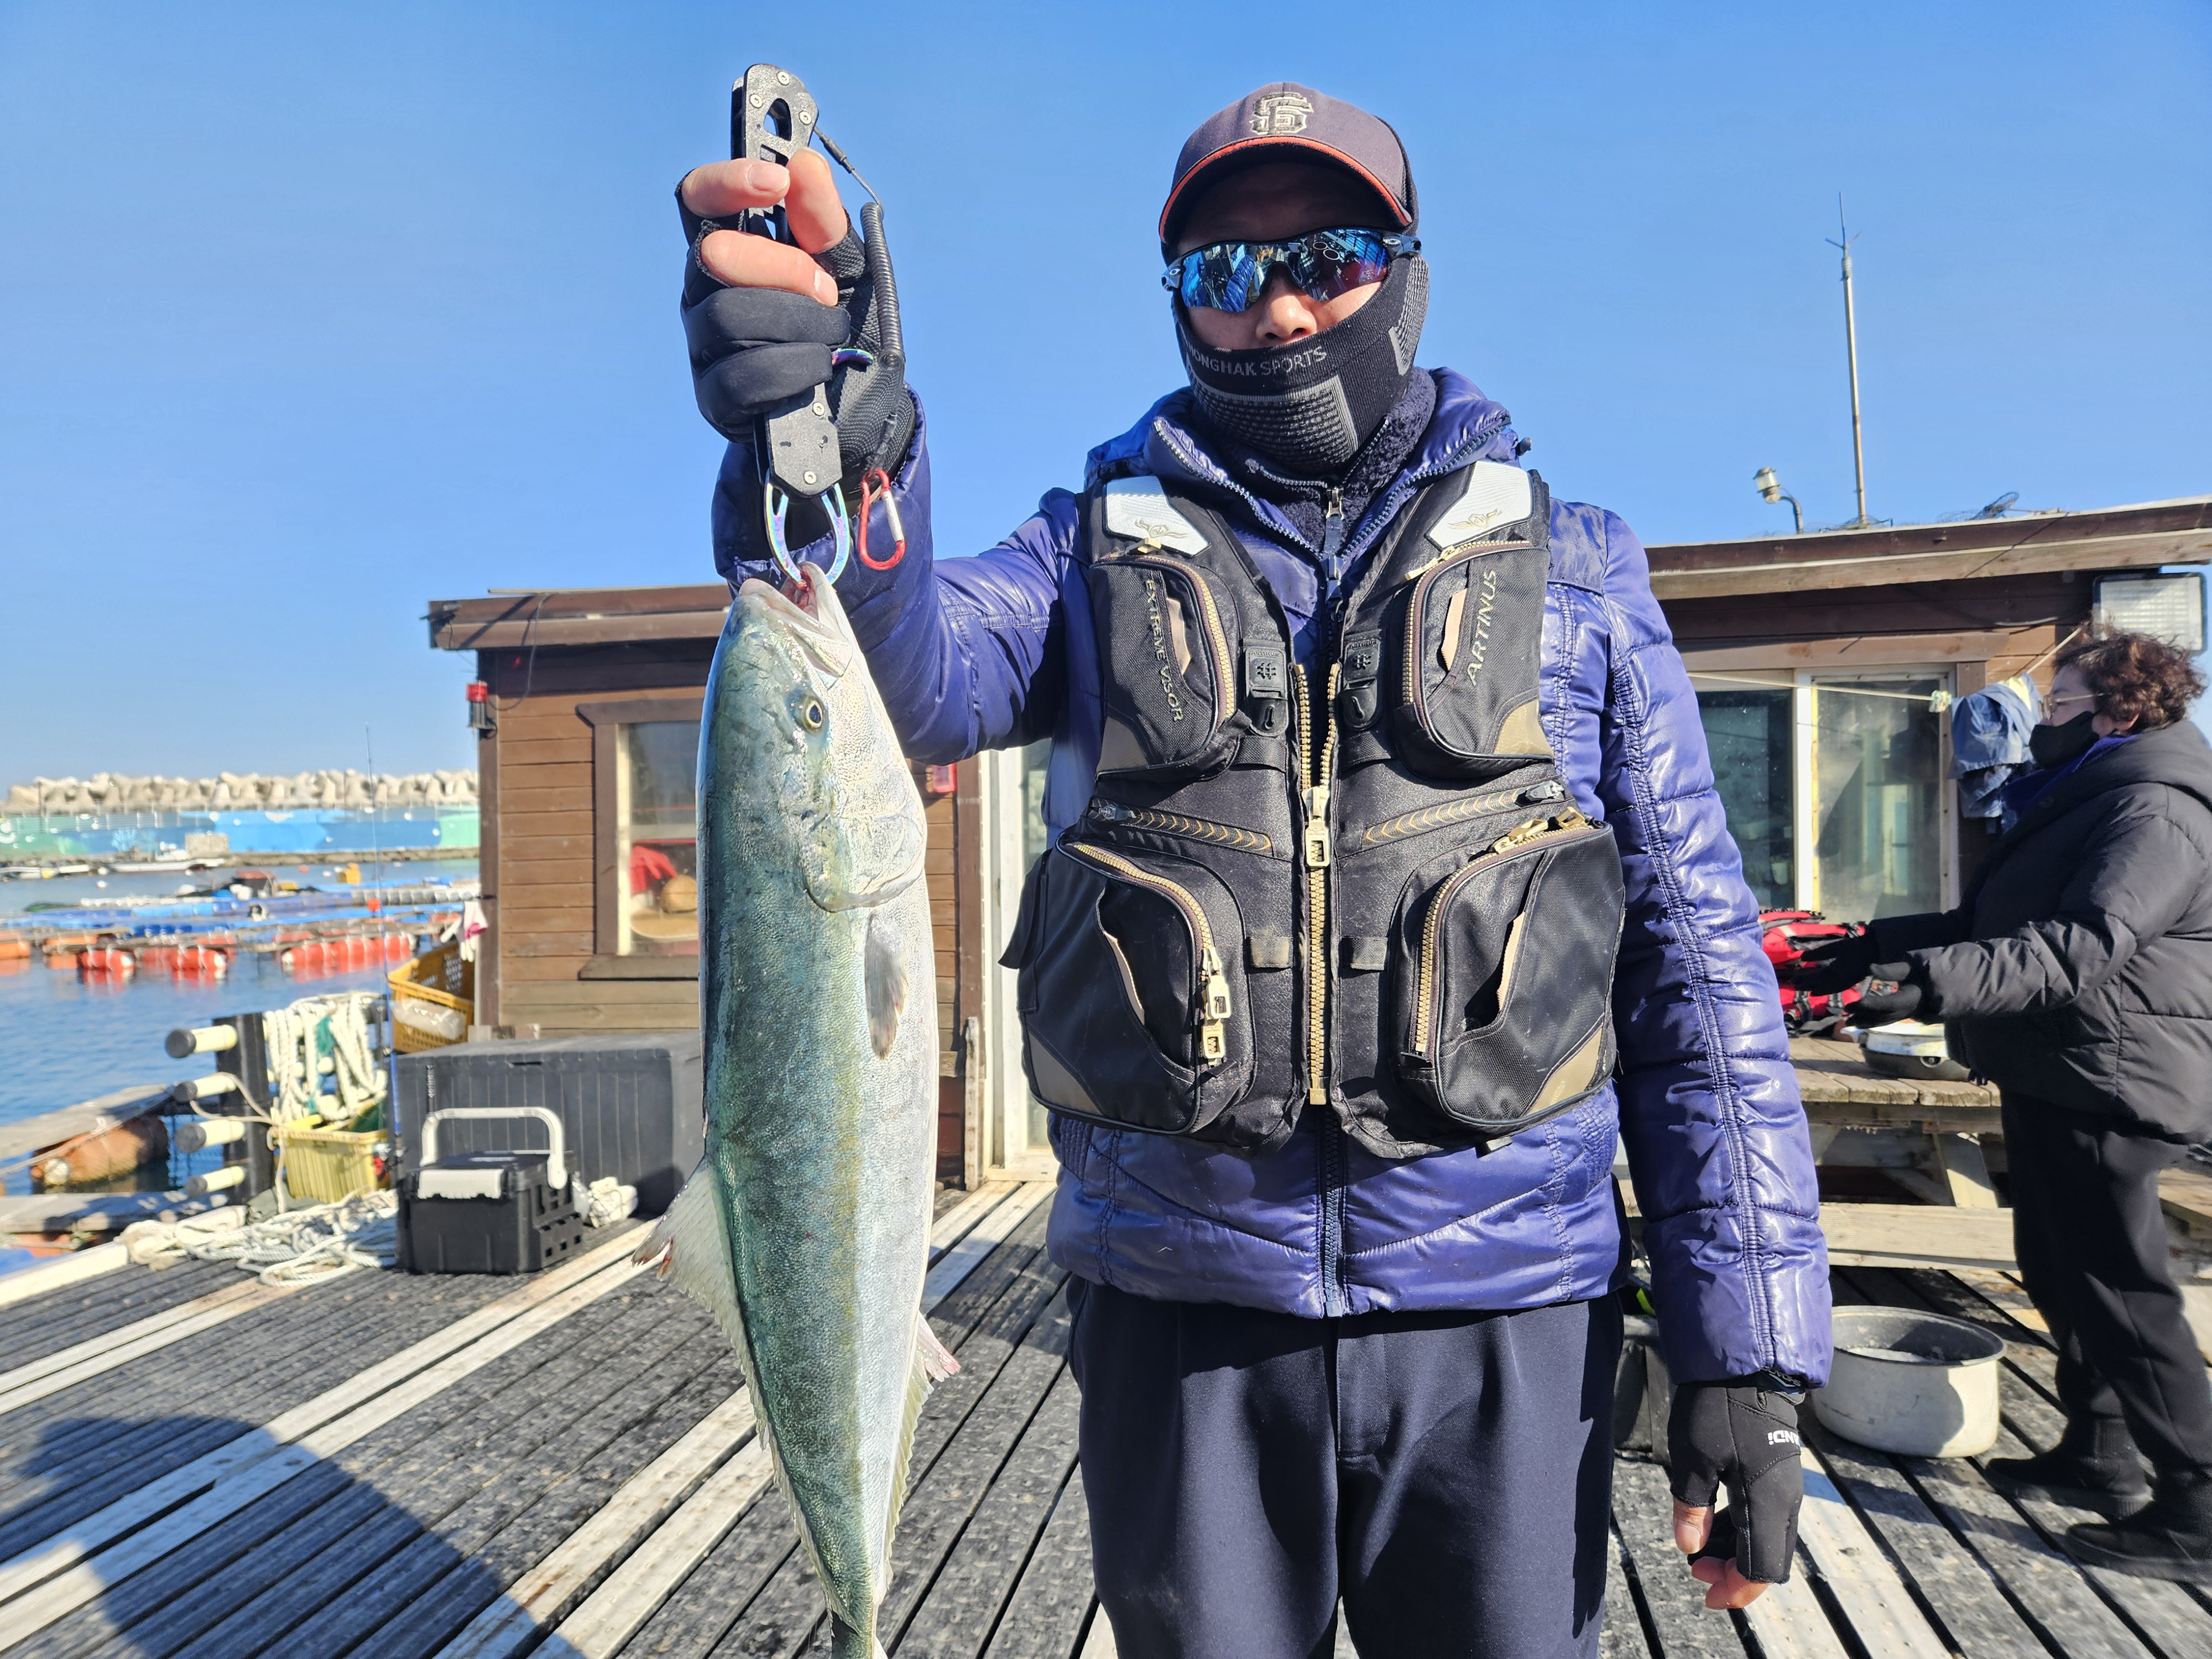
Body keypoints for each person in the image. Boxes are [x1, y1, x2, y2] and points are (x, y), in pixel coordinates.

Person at [675, 81, 1830, 1656]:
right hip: (1182, 1315)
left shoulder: (1578, 571)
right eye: (1224, 271)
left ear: (1407, 271)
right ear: (1177, 300)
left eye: (1328, 256)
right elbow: (900, 680)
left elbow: (1696, 976)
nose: (1277, 308)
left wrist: (1746, 1359)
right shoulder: (1081, 554)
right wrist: (843, 445)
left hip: (1505, 1313)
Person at [1801, 628, 2212, 1582]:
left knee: (2122, 1290)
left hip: (2112, 1077)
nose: (2039, 724)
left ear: (2119, 713)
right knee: (2060, 1270)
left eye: (2057, 707)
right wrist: (1871, 943)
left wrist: (1926, 986)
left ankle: (2196, 1504)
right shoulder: (2087, 793)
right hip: (2056, 1067)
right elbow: (1992, 923)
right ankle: (2100, 1452)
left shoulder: (2156, 810)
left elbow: (2079, 947)